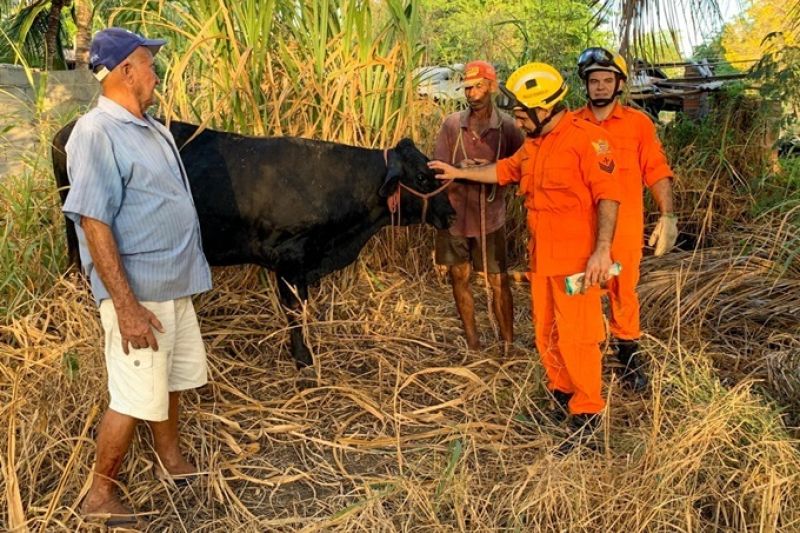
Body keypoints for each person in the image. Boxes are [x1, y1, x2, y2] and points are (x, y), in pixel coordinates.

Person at [429, 63, 621, 452]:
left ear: (543, 109)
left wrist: (602, 250)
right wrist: (456, 171)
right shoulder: (535, 144)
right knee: (546, 331)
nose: (516, 120)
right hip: (542, 260)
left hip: (578, 261)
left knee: (579, 336)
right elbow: (501, 171)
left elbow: (609, 197)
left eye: (521, 114)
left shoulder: (589, 141)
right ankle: (561, 396)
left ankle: (587, 415)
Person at [62, 27, 212, 526]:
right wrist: (126, 306)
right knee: (131, 395)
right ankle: (99, 496)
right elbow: (94, 221)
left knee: (169, 381)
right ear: (126, 70)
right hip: (139, 295)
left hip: (172, 286)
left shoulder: (151, 129)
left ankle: (171, 461)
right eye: (149, 63)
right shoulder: (97, 132)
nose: (156, 73)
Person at [575, 47, 678, 391]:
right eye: (594, 81)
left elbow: (656, 170)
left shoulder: (638, 124)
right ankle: (584, 355)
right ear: (586, 85)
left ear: (619, 84)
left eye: (607, 80)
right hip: (580, 230)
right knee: (582, 291)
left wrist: (668, 216)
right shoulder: (572, 124)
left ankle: (628, 355)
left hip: (625, 231)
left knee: (623, 292)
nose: (601, 87)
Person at [433, 60, 523, 350]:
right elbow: (438, 168)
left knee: (498, 280)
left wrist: (492, 169)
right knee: (459, 276)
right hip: (455, 215)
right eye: (468, 88)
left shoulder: (508, 128)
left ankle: (507, 345)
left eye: (478, 87)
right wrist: (460, 169)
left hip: (490, 216)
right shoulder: (452, 125)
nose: (472, 94)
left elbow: (522, 171)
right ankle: (473, 344)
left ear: (492, 87)